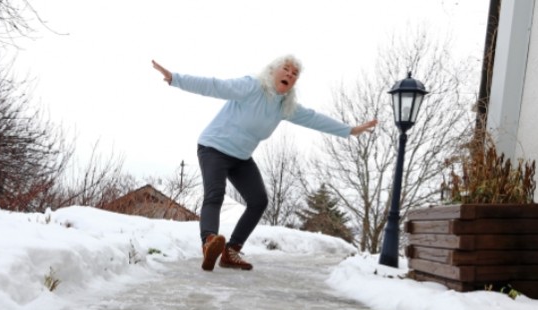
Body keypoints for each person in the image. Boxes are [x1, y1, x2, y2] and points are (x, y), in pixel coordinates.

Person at [152, 56, 377, 271]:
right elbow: (215, 86)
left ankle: (231, 252)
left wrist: (350, 130)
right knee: (215, 194)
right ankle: (210, 241)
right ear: (272, 71)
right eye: (285, 69)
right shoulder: (252, 87)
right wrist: (175, 78)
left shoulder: (285, 106)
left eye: (294, 73)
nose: (290, 74)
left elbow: (314, 118)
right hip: (213, 148)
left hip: (241, 157)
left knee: (258, 200)